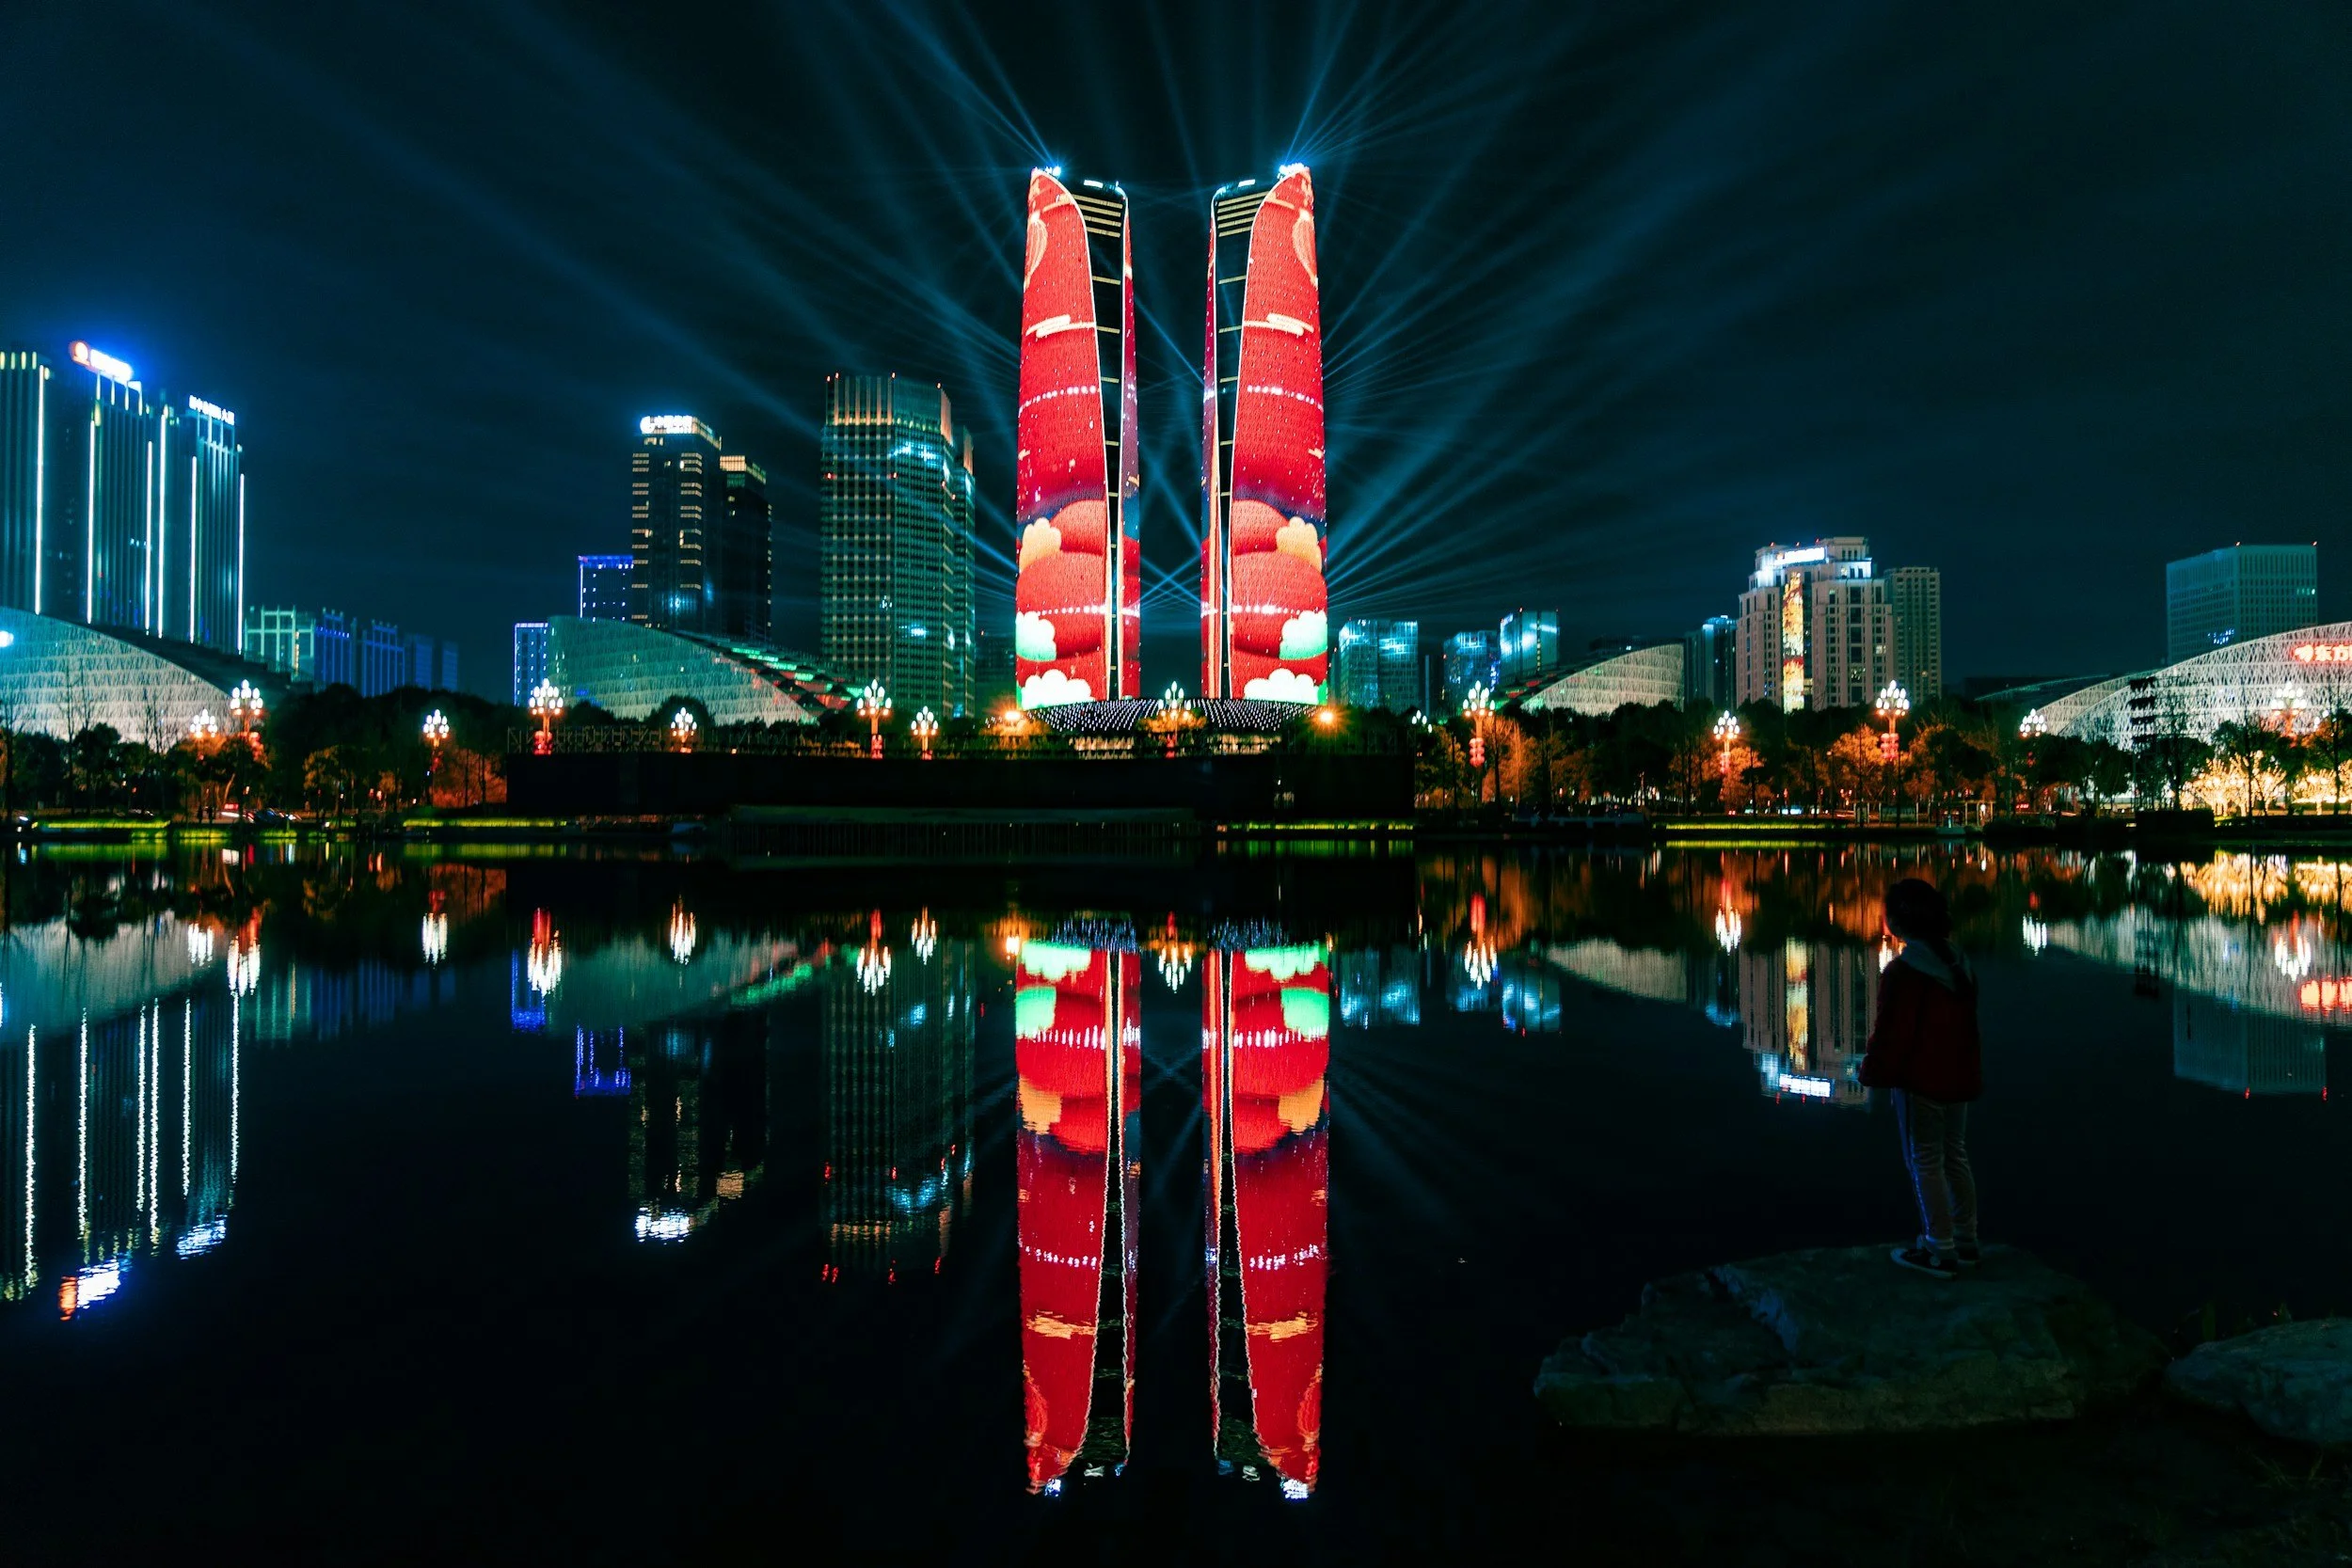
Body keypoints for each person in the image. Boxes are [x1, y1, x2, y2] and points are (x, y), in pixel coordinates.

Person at [1858, 877, 1982, 1279]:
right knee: (1955, 1153)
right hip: (1959, 1073)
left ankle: (1938, 1248)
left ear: (1898, 921)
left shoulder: (1905, 971)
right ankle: (1965, 1239)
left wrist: (1872, 1074)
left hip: (1920, 1080)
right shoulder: (1958, 963)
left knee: (1924, 1160)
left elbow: (1891, 1033)